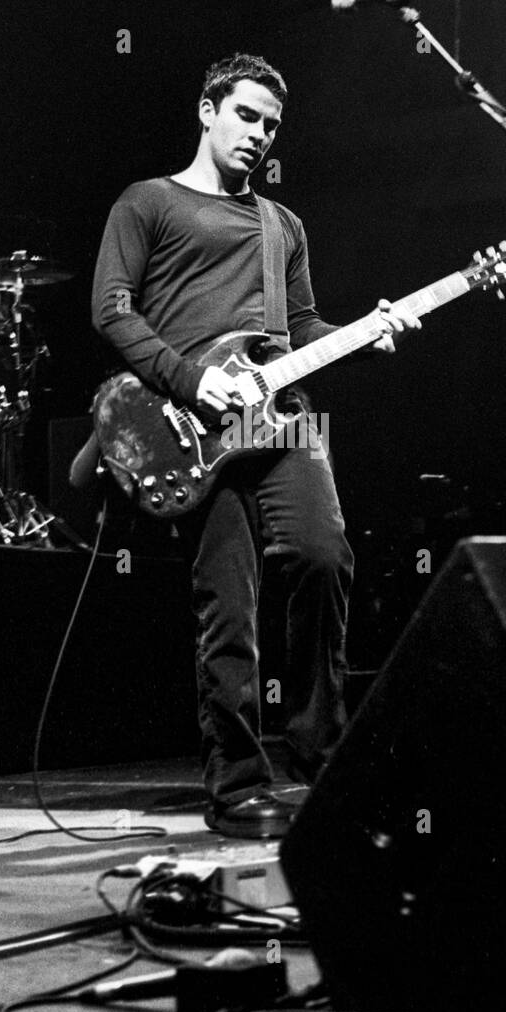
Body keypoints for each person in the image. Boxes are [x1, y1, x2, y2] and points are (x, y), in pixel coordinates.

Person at [92, 53, 419, 838]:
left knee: (323, 554)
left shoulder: (283, 226)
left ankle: (320, 752)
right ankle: (238, 783)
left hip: (280, 414)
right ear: (208, 109)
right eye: (247, 116)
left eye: (272, 125)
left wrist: (361, 336)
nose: (260, 135)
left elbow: (298, 329)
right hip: (191, 423)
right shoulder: (148, 202)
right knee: (229, 605)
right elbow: (110, 308)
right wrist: (189, 381)